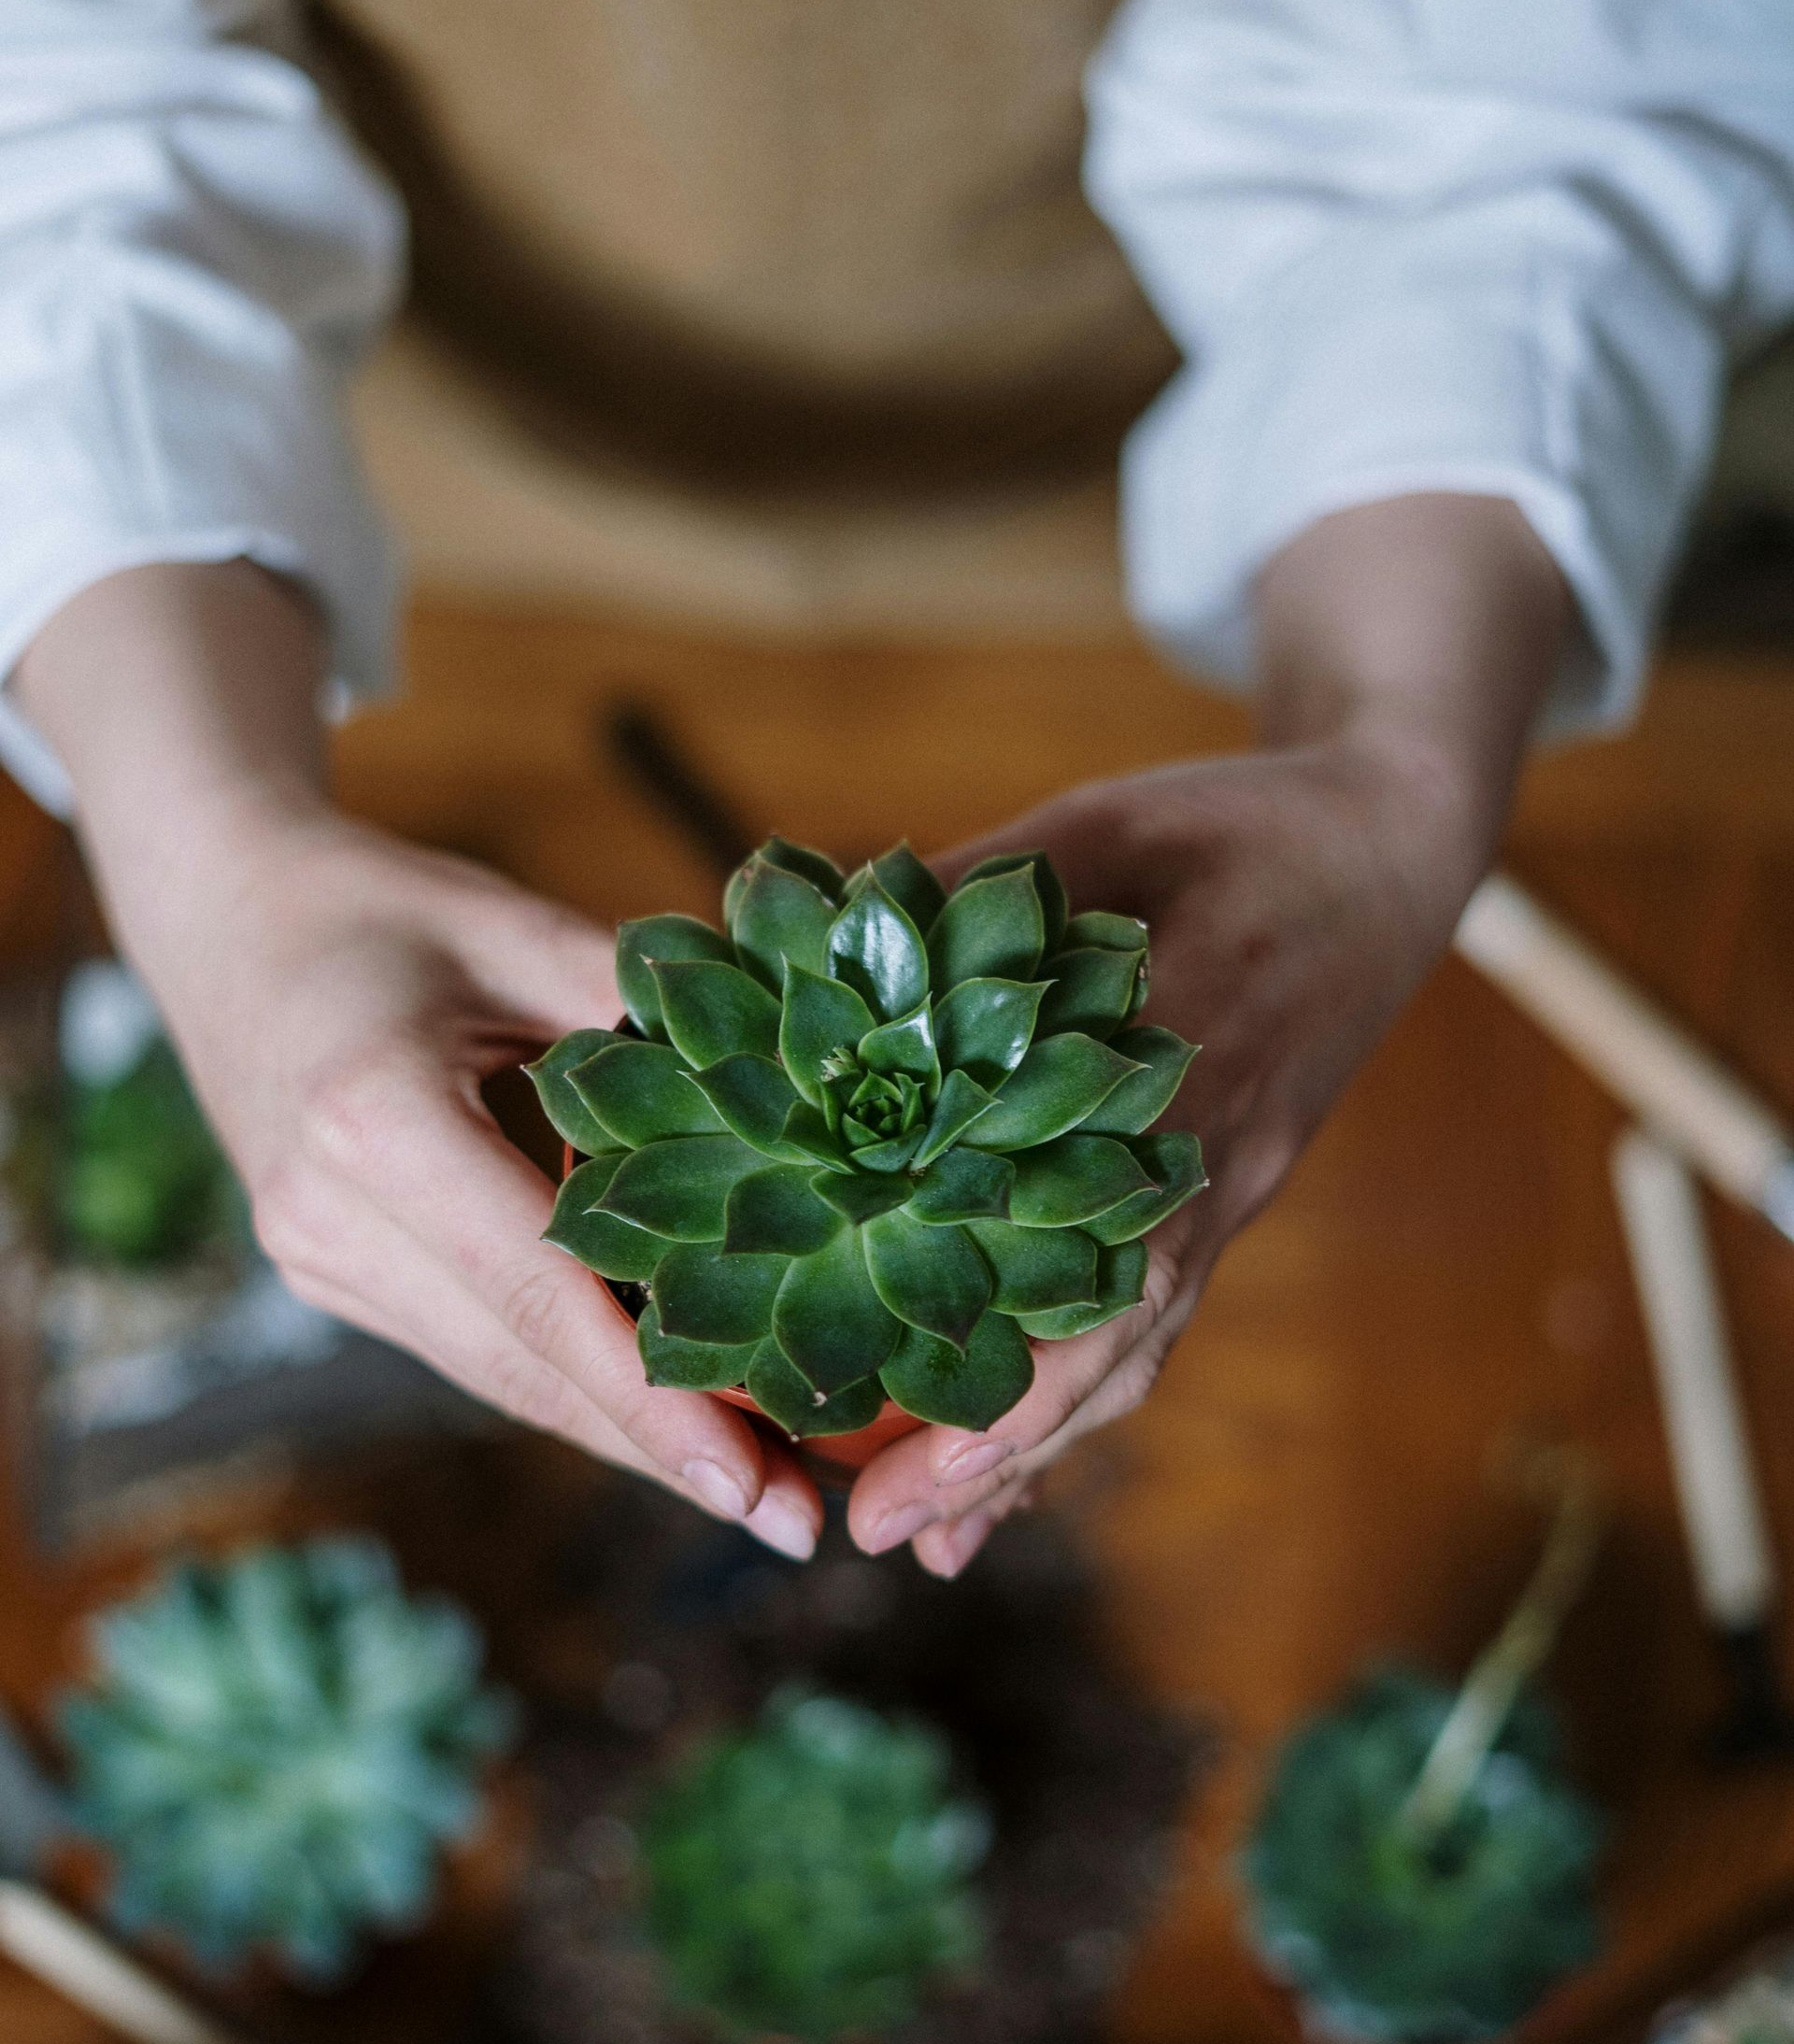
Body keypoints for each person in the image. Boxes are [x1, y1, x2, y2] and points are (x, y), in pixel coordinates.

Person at [5, 1, 1791, 1578]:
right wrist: (199, 839)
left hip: (1201, 447)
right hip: (359, 466)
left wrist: (1401, 747)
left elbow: (1519, 86)